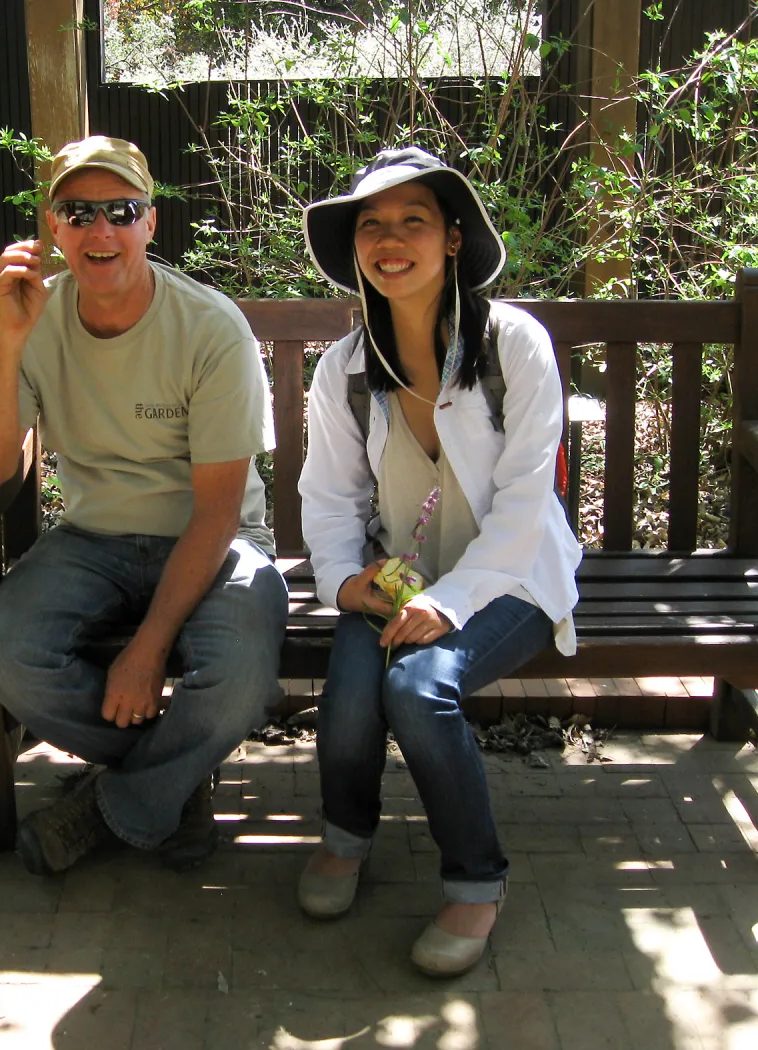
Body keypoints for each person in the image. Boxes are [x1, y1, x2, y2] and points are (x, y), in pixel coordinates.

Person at [0, 136, 288, 876]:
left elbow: (219, 514)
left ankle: (114, 807)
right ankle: (171, 780)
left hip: (210, 536)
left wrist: (148, 647)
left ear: (150, 223)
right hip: (94, 537)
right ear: (53, 226)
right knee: (4, 656)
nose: (100, 231)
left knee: (239, 677)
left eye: (120, 211)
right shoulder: (34, 318)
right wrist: (7, 342)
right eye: (79, 212)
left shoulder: (209, 328)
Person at [295, 146, 581, 976]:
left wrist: (451, 605)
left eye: (413, 221)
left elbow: (529, 503)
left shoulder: (512, 345)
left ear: (453, 239)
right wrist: (343, 578)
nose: (391, 240)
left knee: (419, 690)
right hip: (401, 575)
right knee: (350, 691)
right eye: (371, 225)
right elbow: (330, 496)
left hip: (513, 576)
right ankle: (346, 839)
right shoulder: (345, 368)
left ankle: (476, 880)